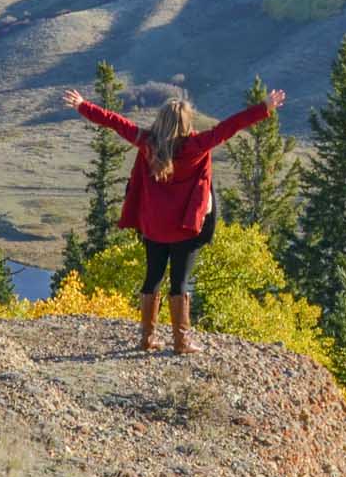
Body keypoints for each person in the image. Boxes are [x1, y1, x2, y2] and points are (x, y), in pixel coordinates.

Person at [61, 83, 287, 354]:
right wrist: (264, 108)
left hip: (154, 227)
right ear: (186, 122)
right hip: (185, 228)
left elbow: (115, 122)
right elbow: (230, 126)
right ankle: (181, 341)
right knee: (179, 282)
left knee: (152, 278)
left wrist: (83, 106)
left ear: (161, 121)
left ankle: (147, 339)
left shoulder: (147, 143)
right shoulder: (197, 145)